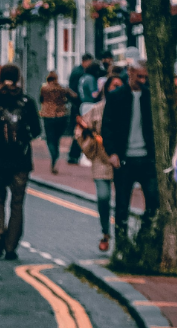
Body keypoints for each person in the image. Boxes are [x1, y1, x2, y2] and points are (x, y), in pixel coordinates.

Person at [0, 64, 41, 261]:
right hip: (20, 159)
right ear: (17, 78)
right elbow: (37, 130)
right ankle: (11, 246)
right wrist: (24, 138)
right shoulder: (26, 102)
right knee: (17, 202)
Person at [101, 56, 160, 239]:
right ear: (130, 73)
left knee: (153, 201)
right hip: (124, 158)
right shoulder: (116, 96)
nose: (142, 81)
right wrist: (112, 152)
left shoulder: (150, 96)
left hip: (147, 158)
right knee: (122, 204)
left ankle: (144, 238)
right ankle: (122, 243)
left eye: (145, 78)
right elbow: (107, 126)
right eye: (140, 77)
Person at [76, 74, 121, 253]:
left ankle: (120, 235)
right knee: (103, 197)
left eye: (119, 86)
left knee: (121, 201)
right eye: (113, 86)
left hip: (121, 161)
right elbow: (80, 131)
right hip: (101, 160)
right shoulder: (97, 109)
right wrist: (92, 147)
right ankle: (105, 231)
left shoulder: (128, 108)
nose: (116, 89)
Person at [39, 70, 71, 174]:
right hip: (61, 115)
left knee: (50, 138)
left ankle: (54, 155)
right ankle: (55, 155)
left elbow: (41, 99)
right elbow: (68, 98)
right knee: (57, 138)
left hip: (48, 115)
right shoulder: (61, 88)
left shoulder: (44, 88)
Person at [66, 54, 94, 164]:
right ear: (85, 61)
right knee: (81, 130)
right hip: (79, 105)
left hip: (77, 105)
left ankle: (74, 155)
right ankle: (74, 155)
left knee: (79, 130)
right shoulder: (81, 73)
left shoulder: (76, 71)